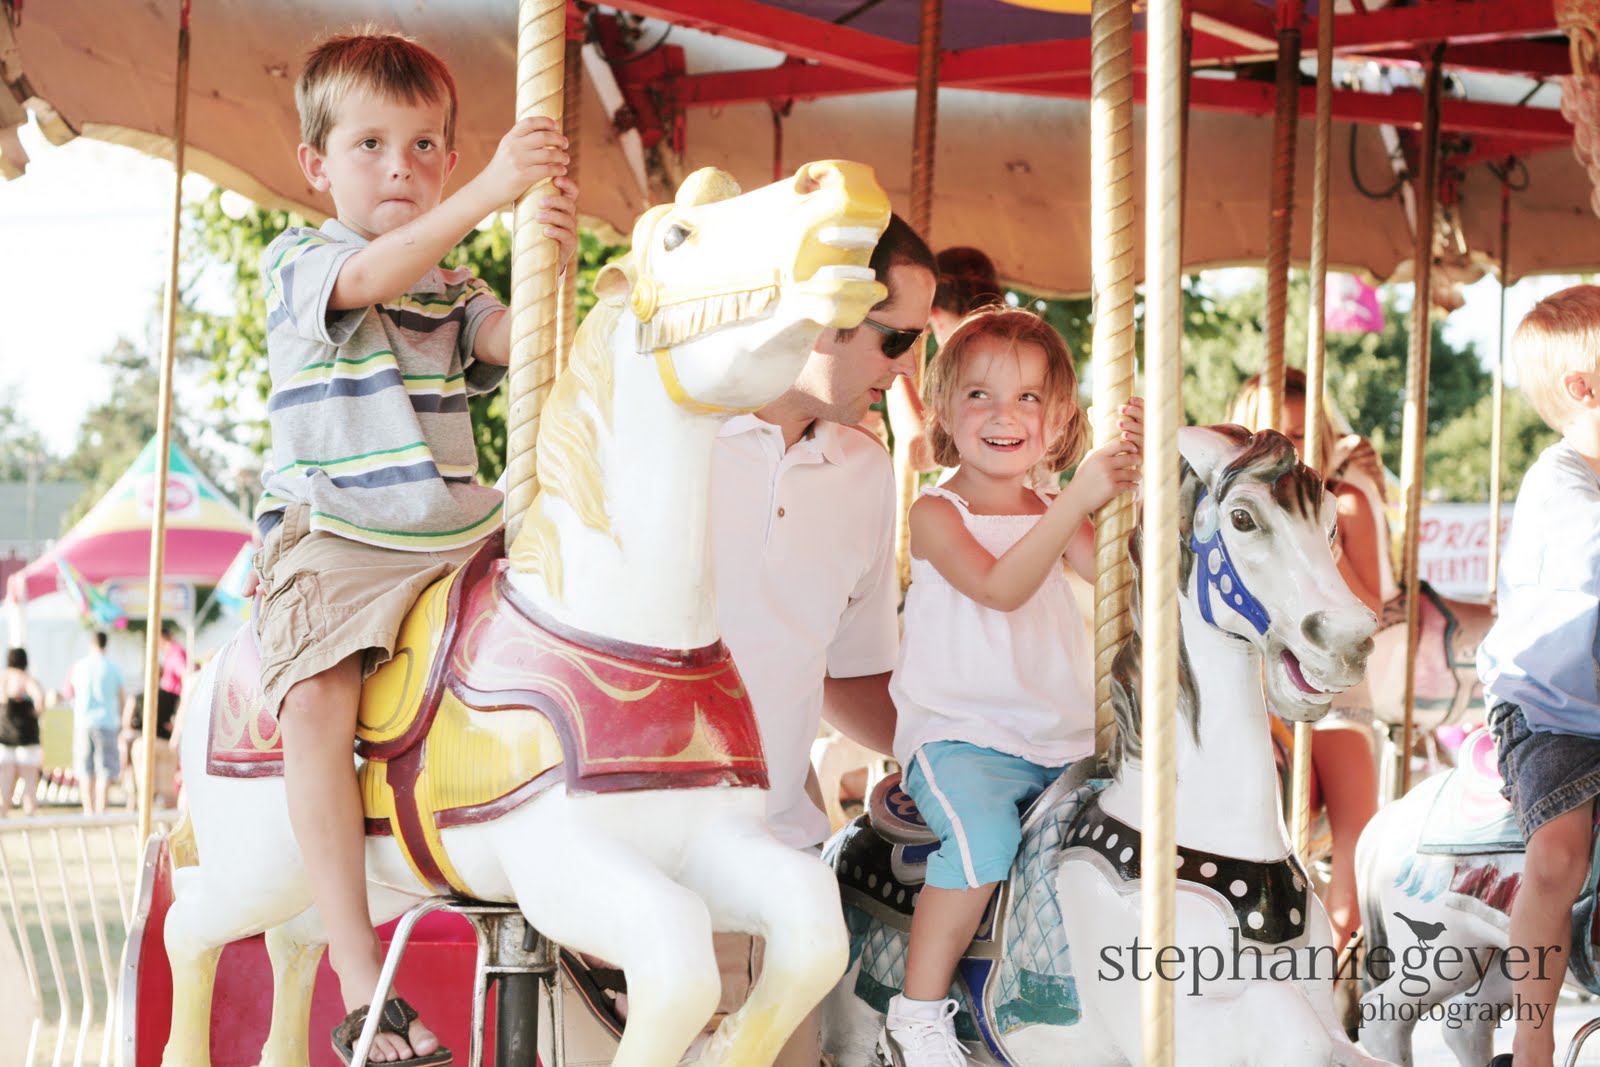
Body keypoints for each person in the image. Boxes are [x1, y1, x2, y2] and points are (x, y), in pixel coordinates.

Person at [256, 30, 577, 1067]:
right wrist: (489, 189)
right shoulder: (304, 260)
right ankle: (359, 982)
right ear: (318, 164)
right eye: (371, 144)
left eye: (428, 145)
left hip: (456, 535)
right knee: (317, 701)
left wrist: (550, 264)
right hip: (340, 535)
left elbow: (514, 347)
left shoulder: (451, 282)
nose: (402, 166)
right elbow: (379, 271)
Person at [882, 306, 1142, 1066]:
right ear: (942, 410)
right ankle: (918, 1013)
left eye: (1030, 397)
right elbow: (1000, 587)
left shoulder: (1051, 511)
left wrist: (1132, 482)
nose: (1006, 415)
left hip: (1058, 739)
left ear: (1061, 417)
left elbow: (1129, 582)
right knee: (987, 839)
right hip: (959, 737)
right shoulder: (937, 510)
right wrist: (1074, 500)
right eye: (980, 396)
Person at [1478, 285, 1600, 1067]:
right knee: (1557, 849)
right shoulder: (1560, 484)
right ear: (1583, 389)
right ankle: (1532, 1042)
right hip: (1549, 709)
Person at [1228, 367, 1385, 948]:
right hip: (1254, 690)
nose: (1283, 451)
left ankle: (1343, 936)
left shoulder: (1342, 510)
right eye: (1267, 436)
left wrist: (1312, 539)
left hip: (1331, 693)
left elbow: (1370, 608)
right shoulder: (1235, 523)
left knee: (1353, 834)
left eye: (1296, 435)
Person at [887, 246, 1004, 475]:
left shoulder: (975, 364)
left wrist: (894, 357)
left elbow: (923, 452)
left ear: (936, 316)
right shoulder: (1009, 355)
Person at [62, 631, 125, 815]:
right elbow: (121, 698)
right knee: (105, 769)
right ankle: (101, 808)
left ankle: (88, 810)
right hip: (107, 722)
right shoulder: (113, 668)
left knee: (85, 768)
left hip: (83, 722)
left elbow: (67, 693)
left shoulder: (78, 666)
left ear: (91, 643)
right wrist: (121, 721)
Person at [0, 647, 46, 816]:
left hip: (4, 738)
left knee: (5, 783)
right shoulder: (27, 679)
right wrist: (34, 712)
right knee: (29, 782)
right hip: (27, 738)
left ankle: (3, 816)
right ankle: (29, 817)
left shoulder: (3, 678)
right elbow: (40, 701)